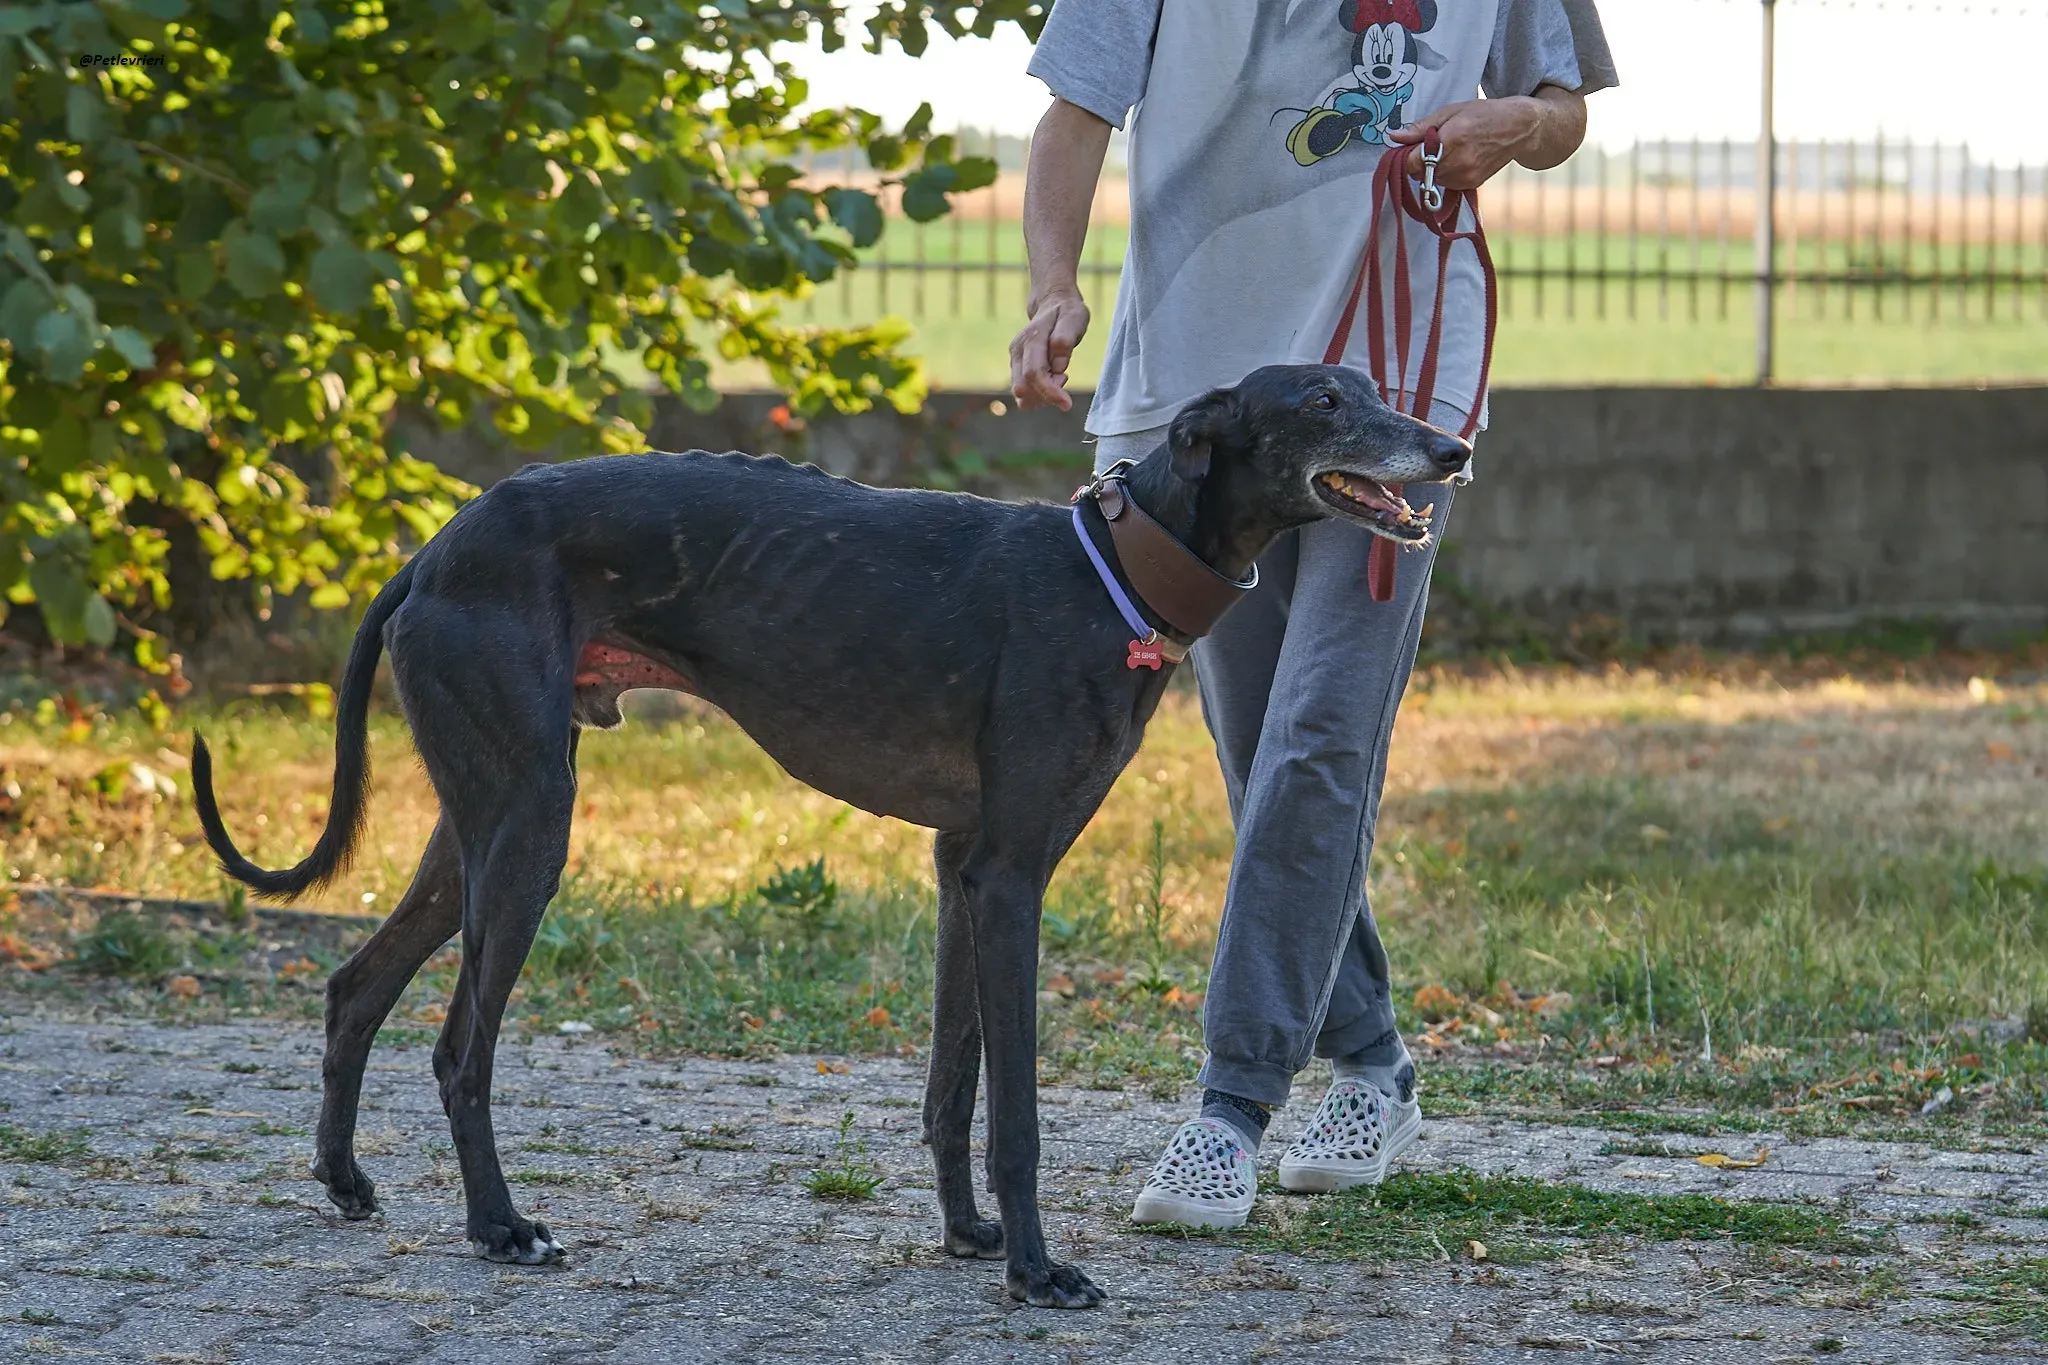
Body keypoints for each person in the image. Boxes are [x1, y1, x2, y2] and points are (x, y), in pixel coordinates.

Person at [1012, 0, 1617, 1227]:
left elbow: (1561, 111)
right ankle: (1375, 1061)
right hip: (1202, 395)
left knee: (1317, 742)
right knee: (1262, 761)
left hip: (1391, 388)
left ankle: (1226, 1111)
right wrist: (1053, 290)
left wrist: (1515, 124)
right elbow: (1074, 110)